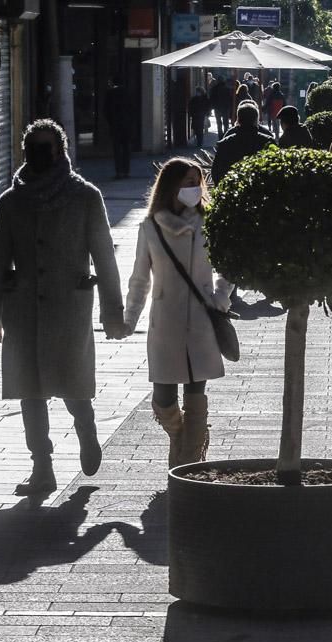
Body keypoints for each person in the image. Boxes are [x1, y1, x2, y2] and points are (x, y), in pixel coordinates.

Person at [0, 118, 126, 495]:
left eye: (45, 148)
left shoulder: (85, 196)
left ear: (61, 151)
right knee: (30, 390)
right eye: (32, 148)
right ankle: (42, 468)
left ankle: (86, 428)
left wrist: (113, 311)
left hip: (68, 307)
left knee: (72, 385)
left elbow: (105, 258)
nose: (37, 155)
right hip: (23, 309)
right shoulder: (12, 200)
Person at [124, 158, 234, 468]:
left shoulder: (211, 223)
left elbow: (228, 267)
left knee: (196, 392)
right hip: (166, 321)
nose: (193, 188)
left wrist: (220, 297)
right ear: (171, 186)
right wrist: (130, 318)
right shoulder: (150, 227)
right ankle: (180, 434)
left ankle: (187, 463)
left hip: (202, 318)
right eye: (186, 182)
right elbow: (139, 278)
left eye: (197, 182)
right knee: (163, 397)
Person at [211, 101, 275, 185]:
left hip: (232, 190)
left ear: (238, 120)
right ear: (256, 119)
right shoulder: (268, 142)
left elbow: (216, 173)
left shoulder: (225, 143)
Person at [104, 77, 132, 179]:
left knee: (117, 149)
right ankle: (127, 171)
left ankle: (119, 171)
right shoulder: (127, 93)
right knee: (126, 148)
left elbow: (106, 110)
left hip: (115, 125)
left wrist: (111, 122)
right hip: (127, 125)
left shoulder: (110, 94)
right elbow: (132, 108)